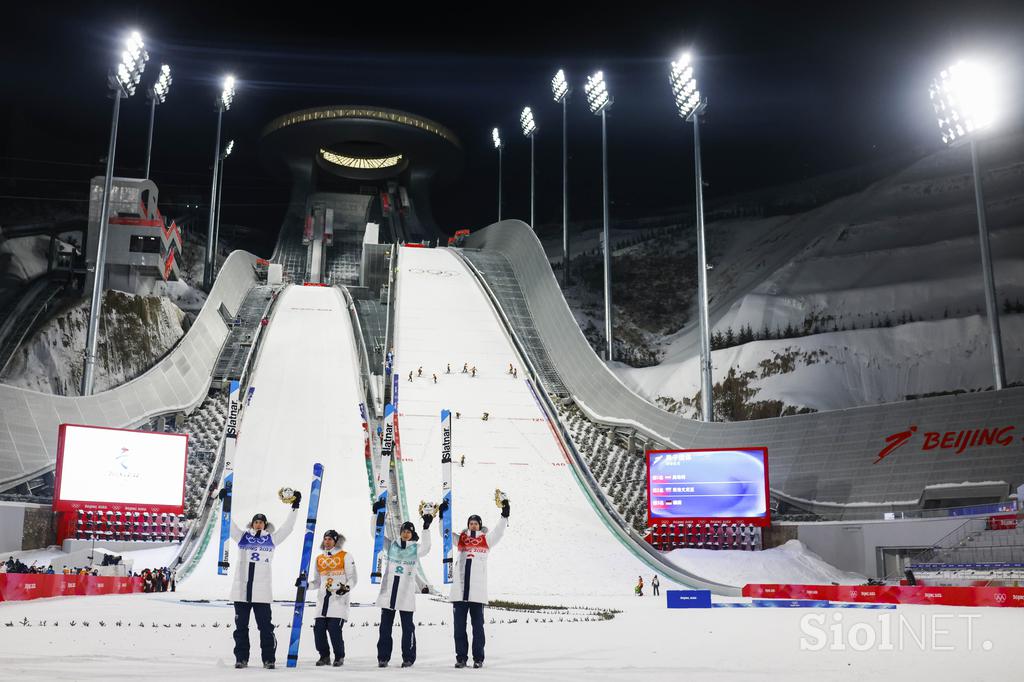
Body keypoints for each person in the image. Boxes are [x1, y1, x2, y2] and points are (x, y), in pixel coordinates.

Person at [227, 489, 301, 669]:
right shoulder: (242, 537)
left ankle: (269, 659)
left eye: (261, 522)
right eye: (256, 521)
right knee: (241, 629)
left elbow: (288, 528)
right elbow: (228, 523)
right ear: (252, 524)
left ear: (266, 524)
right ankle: (241, 658)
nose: (258, 524)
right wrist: (225, 503)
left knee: (266, 629)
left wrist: (295, 506)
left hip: (262, 593)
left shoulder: (272, 539)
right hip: (241, 592)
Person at [447, 497, 510, 668]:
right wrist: (442, 516)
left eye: (476, 523)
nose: (473, 525)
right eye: (471, 523)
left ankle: (478, 658)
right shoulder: (461, 539)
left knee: (478, 629)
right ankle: (461, 657)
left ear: (479, 525)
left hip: (477, 592)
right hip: (459, 592)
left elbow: (498, 532)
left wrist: (504, 516)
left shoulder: (486, 540)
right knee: (459, 628)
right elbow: (445, 533)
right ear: (468, 525)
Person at [373, 503, 434, 668]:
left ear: (412, 534)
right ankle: (383, 657)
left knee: (408, 629)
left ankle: (408, 657)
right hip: (389, 593)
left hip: (406, 594)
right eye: (404, 531)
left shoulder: (415, 549)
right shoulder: (392, 545)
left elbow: (427, 548)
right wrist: (375, 515)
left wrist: (426, 527)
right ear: (400, 533)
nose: (406, 534)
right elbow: (375, 535)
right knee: (385, 628)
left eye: (409, 532)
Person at [308, 530, 357, 667]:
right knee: (318, 630)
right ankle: (324, 656)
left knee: (334, 629)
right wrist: (306, 585)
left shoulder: (345, 556)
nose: (327, 541)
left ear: (336, 541)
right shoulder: (319, 558)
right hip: (322, 600)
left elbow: (353, 578)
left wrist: (344, 590)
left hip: (338, 600)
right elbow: (317, 582)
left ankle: (339, 657)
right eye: (325, 539)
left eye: (330, 539)